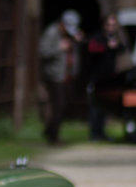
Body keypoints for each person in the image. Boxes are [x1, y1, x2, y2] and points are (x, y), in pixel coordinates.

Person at [38, 9, 82, 143]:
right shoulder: (52, 32)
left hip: (67, 75)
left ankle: (49, 130)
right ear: (61, 24)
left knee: (67, 103)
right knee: (59, 105)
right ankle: (53, 137)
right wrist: (59, 48)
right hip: (55, 75)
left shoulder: (71, 35)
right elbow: (42, 52)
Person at [83, 14, 124, 141]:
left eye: (113, 25)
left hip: (108, 78)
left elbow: (122, 49)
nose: (111, 27)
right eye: (109, 24)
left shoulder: (113, 38)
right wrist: (107, 46)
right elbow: (92, 50)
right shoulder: (98, 37)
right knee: (96, 106)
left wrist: (116, 46)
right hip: (97, 78)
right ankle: (94, 133)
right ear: (104, 25)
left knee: (104, 107)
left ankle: (100, 132)